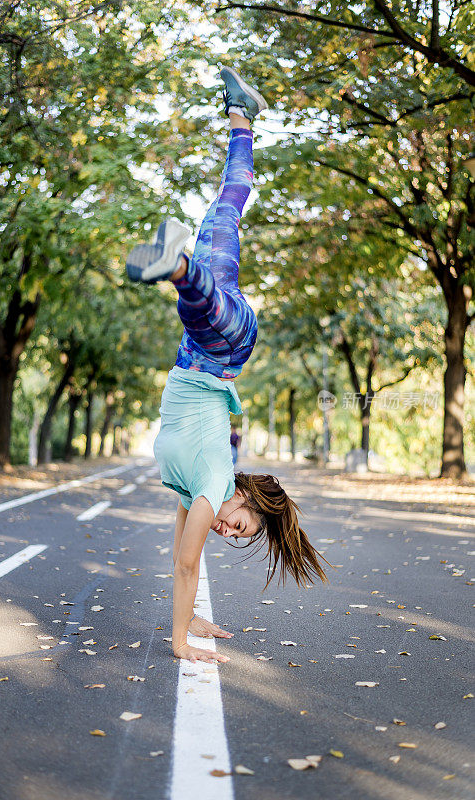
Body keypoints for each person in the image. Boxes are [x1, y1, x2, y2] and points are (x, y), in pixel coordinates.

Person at [126, 67, 330, 664]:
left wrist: (197, 621)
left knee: (227, 205)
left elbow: (177, 557)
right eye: (240, 528)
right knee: (205, 313)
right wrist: (179, 641)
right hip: (224, 349)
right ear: (245, 499)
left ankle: (241, 114)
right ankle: (180, 267)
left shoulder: (192, 490)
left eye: (233, 537)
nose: (228, 532)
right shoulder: (215, 481)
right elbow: (190, 562)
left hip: (205, 355)